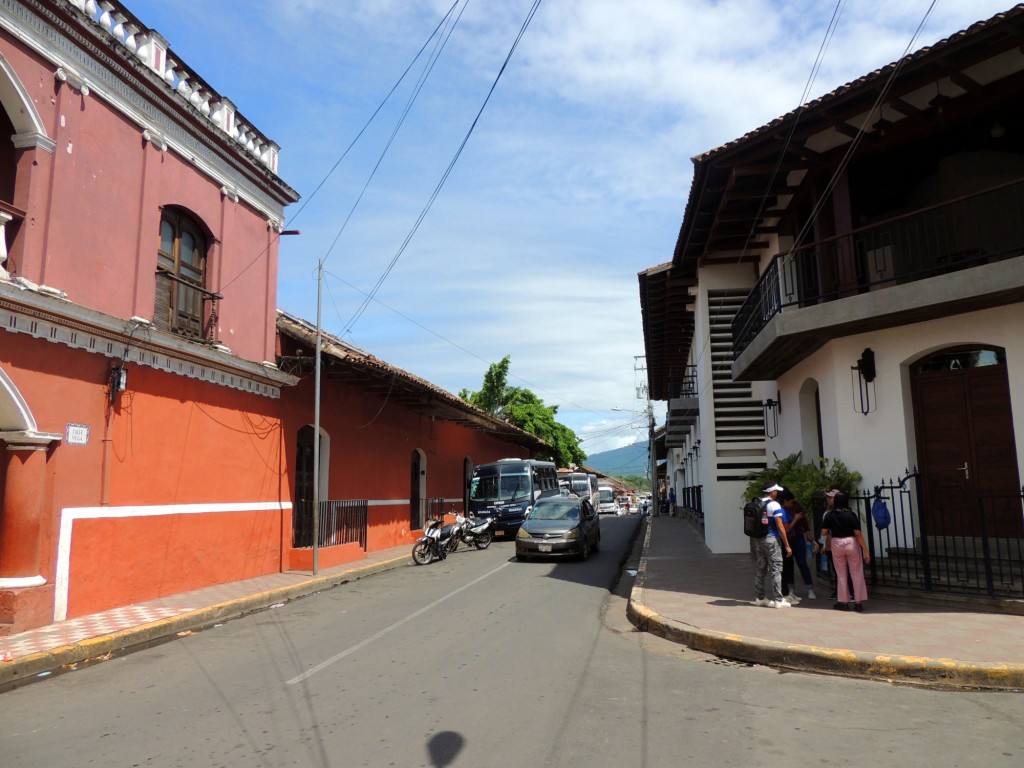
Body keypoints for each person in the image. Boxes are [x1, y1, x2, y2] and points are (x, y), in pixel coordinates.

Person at [821, 491, 870, 611]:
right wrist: (865, 550)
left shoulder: (829, 515)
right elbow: (857, 533)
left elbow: (823, 532)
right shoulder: (851, 515)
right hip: (851, 542)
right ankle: (858, 602)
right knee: (856, 572)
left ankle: (843, 601)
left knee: (841, 573)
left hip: (836, 543)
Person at [753, 483, 792, 608]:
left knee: (761, 568)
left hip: (759, 539)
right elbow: (780, 526)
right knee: (776, 568)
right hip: (771, 539)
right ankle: (778, 599)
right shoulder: (774, 504)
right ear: (772, 492)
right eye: (776, 491)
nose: (778, 493)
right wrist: (787, 545)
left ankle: (760, 598)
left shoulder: (757, 502)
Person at [779, 489, 817, 602]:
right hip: (787, 538)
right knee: (788, 564)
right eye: (790, 501)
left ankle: (809, 588)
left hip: (798, 537)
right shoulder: (780, 510)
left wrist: (808, 533)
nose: (792, 503)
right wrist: (795, 520)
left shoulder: (796, 506)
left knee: (802, 563)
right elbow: (786, 529)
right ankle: (791, 589)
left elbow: (804, 521)